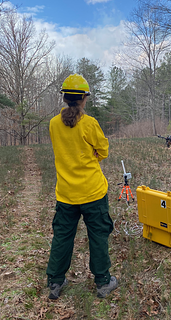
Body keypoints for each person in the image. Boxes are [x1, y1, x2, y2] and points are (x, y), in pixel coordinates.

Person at [46, 74, 117, 300]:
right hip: (93, 193)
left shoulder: (54, 124)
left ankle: (55, 281)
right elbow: (103, 151)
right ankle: (103, 282)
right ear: (84, 98)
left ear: (65, 98)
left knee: (62, 237)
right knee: (98, 235)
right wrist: (92, 154)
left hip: (66, 194)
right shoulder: (89, 123)